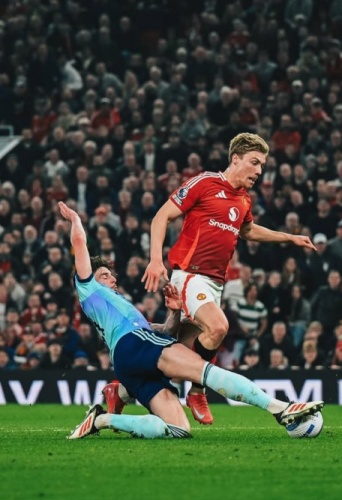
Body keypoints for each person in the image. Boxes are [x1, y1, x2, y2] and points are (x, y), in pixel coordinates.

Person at [58, 201, 323, 440]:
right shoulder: (88, 288)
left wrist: (174, 312)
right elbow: (79, 243)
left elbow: (163, 332)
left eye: (111, 275)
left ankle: (102, 419)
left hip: (127, 361)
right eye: (105, 275)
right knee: (203, 369)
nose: (112, 279)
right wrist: (76, 220)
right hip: (134, 346)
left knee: (178, 429)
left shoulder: (118, 309)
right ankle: (280, 409)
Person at [140, 133, 315, 425]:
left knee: (176, 356)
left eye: (262, 165)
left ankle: (118, 391)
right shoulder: (204, 182)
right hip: (190, 275)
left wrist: (289, 237)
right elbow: (161, 216)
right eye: (254, 162)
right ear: (235, 159)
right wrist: (156, 260)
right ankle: (197, 391)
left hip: (214, 285)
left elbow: (248, 230)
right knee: (219, 327)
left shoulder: (244, 199)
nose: (259, 171)